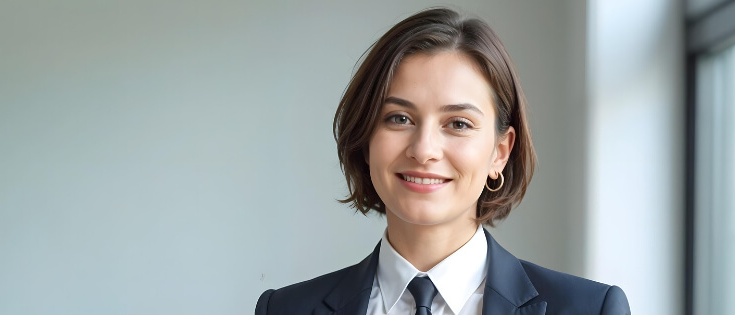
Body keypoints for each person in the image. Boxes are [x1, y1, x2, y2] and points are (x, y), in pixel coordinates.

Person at [255, 7, 630, 315]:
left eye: (458, 123)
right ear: (366, 139)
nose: (423, 150)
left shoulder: (591, 309)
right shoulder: (284, 309)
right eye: (399, 118)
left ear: (500, 152)